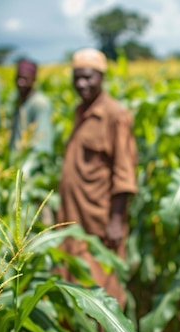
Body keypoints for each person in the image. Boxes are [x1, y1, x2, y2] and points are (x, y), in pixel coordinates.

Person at [56, 48, 138, 309]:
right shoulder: (81, 111)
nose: (81, 83)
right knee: (73, 286)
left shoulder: (115, 115)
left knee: (101, 291)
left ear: (101, 77)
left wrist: (116, 220)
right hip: (73, 219)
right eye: (77, 77)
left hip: (99, 223)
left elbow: (124, 170)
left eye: (88, 77)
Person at [8, 59, 53, 155]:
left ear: (33, 80)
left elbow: (41, 143)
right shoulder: (21, 101)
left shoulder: (39, 103)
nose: (20, 82)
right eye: (18, 78)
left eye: (25, 79)